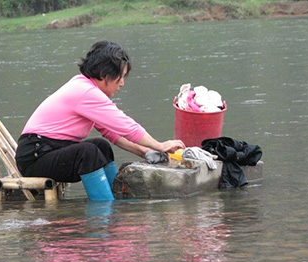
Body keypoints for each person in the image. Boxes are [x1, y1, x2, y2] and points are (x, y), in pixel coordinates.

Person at [16, 41, 184, 201]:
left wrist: (146, 152)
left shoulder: (86, 88)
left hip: (49, 150)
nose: (123, 84)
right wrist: (160, 145)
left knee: (100, 146)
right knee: (88, 152)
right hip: (35, 156)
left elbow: (112, 133)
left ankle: (113, 195)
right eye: (120, 77)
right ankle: (105, 207)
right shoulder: (86, 92)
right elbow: (126, 126)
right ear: (105, 75)